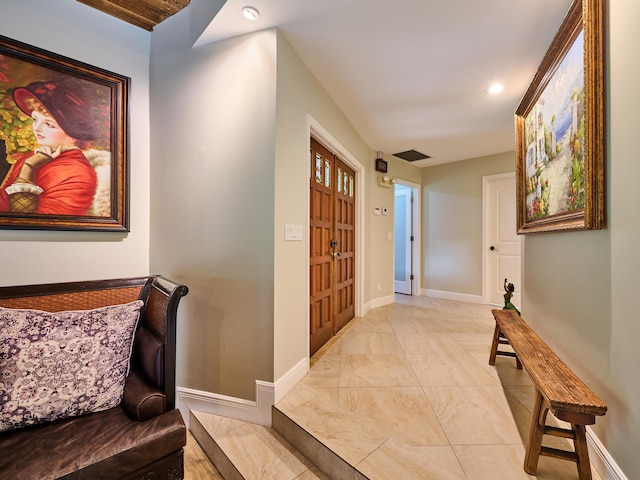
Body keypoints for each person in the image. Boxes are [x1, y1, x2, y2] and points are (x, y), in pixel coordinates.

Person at [0, 81, 98, 215]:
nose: (37, 128)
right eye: (35, 119)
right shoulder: (32, 157)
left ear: (73, 134)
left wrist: (28, 169)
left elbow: (29, 222)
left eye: (49, 124)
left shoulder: (77, 174)